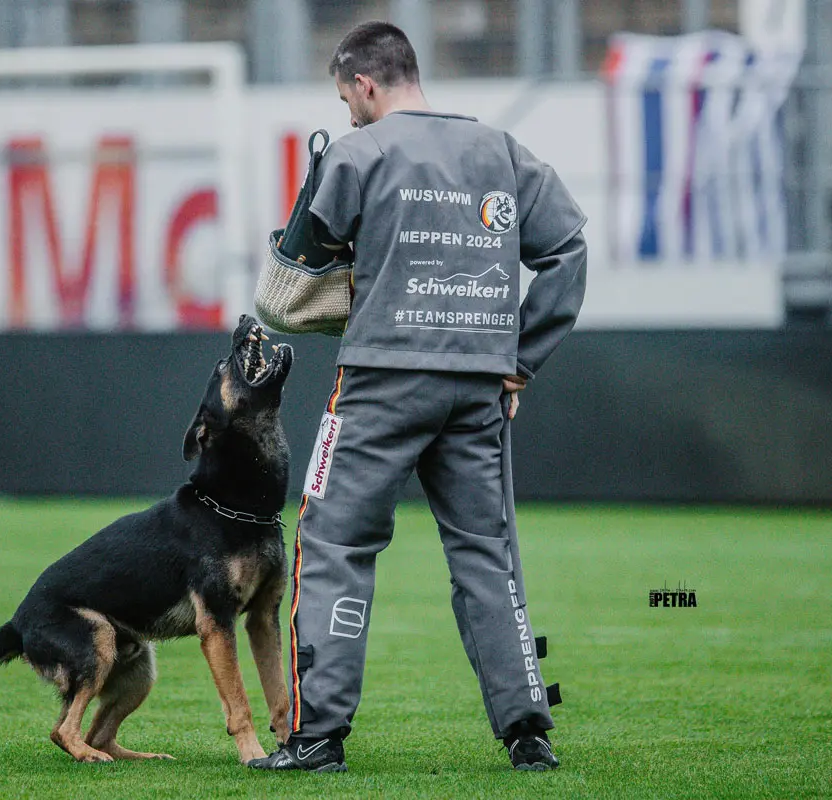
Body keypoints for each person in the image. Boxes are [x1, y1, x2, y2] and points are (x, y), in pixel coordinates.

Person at [248, 21, 587, 773]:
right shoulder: (501, 150)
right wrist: (520, 360)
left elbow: (297, 274)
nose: (347, 114)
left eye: (346, 99)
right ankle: (528, 731)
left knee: (333, 544)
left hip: (377, 384)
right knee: (486, 556)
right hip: (477, 391)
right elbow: (567, 250)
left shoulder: (358, 153)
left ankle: (316, 737)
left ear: (364, 85)